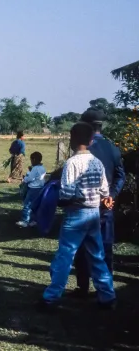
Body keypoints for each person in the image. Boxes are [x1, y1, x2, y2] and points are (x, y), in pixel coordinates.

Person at [39, 122, 116, 311]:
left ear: (71, 139)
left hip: (76, 214)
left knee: (65, 255)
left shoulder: (72, 163)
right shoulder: (97, 163)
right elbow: (105, 190)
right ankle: (107, 296)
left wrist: (54, 197)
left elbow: (66, 193)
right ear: (91, 141)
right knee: (97, 256)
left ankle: (51, 297)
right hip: (94, 214)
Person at [72, 109, 125, 298]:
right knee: (106, 247)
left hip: (85, 206)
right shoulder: (112, 148)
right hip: (106, 207)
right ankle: (107, 289)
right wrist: (111, 195)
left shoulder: (82, 149)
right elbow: (120, 176)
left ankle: (83, 287)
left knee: (81, 247)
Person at [16, 151, 46, 228]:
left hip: (33, 189)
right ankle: (33, 220)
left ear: (34, 160)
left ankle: (25, 221)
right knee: (35, 205)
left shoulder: (35, 168)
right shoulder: (42, 168)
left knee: (27, 204)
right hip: (40, 188)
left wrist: (24, 178)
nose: (31, 162)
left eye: (31, 160)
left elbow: (30, 178)